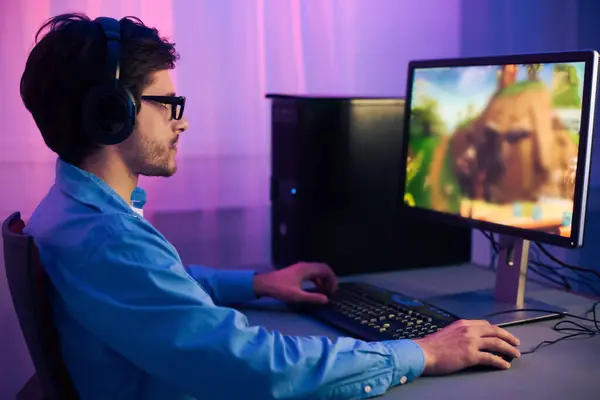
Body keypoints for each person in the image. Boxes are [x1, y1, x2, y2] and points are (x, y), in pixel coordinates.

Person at [20, 13, 521, 400]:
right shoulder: (110, 240)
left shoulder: (73, 211)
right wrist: (421, 352)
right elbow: (256, 368)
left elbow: (157, 286)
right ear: (113, 114)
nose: (182, 123)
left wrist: (258, 284)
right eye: (168, 104)